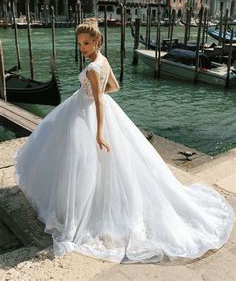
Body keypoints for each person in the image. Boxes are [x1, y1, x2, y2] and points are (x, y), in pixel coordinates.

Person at [14, 18, 234, 263]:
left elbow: (98, 100)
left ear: (97, 41)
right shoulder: (103, 61)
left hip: (87, 114)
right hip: (99, 109)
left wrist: (98, 131)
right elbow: (114, 87)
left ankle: (80, 211)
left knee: (80, 163)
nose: (82, 48)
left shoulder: (91, 69)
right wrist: (93, 95)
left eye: (86, 43)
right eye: (79, 44)